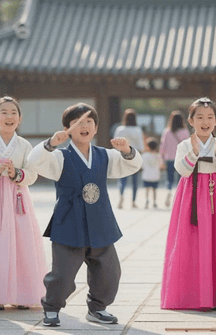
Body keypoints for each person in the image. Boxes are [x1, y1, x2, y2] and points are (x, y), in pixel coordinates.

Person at [27, 103, 142, 327]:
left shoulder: (105, 155)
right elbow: (33, 162)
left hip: (100, 221)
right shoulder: (59, 157)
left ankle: (98, 308)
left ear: (96, 128)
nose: (84, 126)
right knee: (62, 275)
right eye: (78, 122)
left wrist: (127, 150)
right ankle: (52, 308)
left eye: (89, 121)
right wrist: (51, 144)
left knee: (109, 272)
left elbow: (133, 166)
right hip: (69, 222)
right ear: (67, 128)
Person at [160, 97, 216, 310]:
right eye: (199, 117)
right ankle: (192, 296)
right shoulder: (185, 145)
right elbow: (182, 170)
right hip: (191, 195)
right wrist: (195, 152)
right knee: (190, 240)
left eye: (209, 117)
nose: (205, 122)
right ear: (191, 120)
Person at [0, 96, 46, 310]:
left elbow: (32, 174)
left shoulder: (24, 145)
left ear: (20, 119)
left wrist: (17, 173)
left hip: (17, 199)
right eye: (4, 112)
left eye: (13, 112)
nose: (9, 116)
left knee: (21, 243)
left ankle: (22, 295)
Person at [114, 109, 144, 208]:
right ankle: (133, 201)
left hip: (122, 156)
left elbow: (115, 143)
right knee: (135, 181)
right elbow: (140, 146)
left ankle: (121, 197)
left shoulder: (120, 129)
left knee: (122, 179)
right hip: (134, 156)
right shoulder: (137, 130)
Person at [160, 111, 190, 207]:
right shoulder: (185, 132)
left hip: (169, 158)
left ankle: (169, 191)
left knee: (170, 178)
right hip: (181, 159)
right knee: (180, 179)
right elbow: (188, 147)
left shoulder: (167, 131)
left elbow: (163, 146)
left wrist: (162, 159)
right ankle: (178, 197)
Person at [141, 138, 163, 209]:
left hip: (146, 175)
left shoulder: (144, 155)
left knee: (147, 189)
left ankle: (147, 200)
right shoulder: (158, 155)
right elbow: (161, 165)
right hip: (155, 175)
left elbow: (141, 165)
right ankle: (154, 202)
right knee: (154, 190)